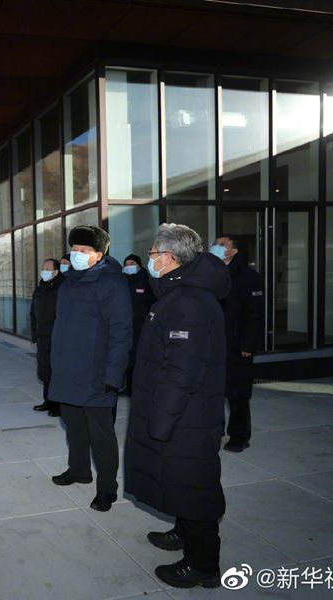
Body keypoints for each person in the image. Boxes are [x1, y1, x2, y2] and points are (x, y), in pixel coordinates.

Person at [124, 223, 230, 589]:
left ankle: (203, 565)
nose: (149, 260)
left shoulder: (188, 302)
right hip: (182, 412)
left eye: (152, 254)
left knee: (195, 486)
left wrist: (161, 421)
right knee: (181, 480)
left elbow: (181, 370)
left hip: (187, 416)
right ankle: (183, 532)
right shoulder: (178, 294)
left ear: (169, 258)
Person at [48, 225, 132, 513]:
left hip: (96, 373)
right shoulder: (69, 281)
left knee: (101, 436)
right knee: (74, 427)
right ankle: (79, 470)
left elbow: (121, 332)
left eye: (84, 250)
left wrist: (113, 374)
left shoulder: (112, 284)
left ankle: (107, 489)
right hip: (67, 370)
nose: (77, 255)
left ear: (100, 254)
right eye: (75, 249)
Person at [210, 235, 265, 453]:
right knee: (213, 392)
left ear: (233, 251)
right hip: (213, 344)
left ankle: (240, 436)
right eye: (215, 243)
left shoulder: (248, 277)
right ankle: (214, 431)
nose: (216, 247)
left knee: (237, 393)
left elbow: (255, 314)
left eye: (222, 245)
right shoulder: (210, 274)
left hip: (237, 344)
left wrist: (248, 345)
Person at [30, 257, 64, 417]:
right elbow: (33, 314)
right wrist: (34, 336)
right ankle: (48, 400)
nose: (44, 271)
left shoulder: (62, 289)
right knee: (44, 370)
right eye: (43, 268)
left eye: (48, 269)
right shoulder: (39, 289)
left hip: (57, 337)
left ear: (56, 272)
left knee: (57, 371)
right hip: (42, 337)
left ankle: (59, 405)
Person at [122, 253, 156, 396]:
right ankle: (127, 386)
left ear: (139, 266)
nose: (129, 267)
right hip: (125, 325)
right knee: (126, 358)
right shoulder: (121, 281)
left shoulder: (147, 281)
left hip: (141, 326)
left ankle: (136, 387)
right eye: (126, 264)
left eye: (132, 264)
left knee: (137, 357)